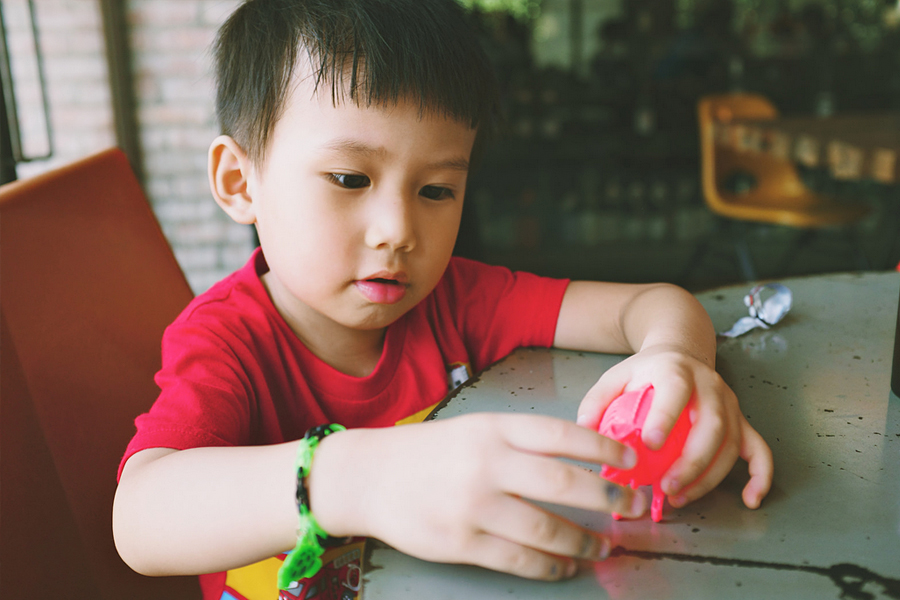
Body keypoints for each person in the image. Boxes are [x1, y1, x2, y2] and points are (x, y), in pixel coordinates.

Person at [112, 1, 774, 599]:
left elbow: (652, 303)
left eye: (435, 190)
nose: (398, 231)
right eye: (349, 178)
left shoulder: (458, 301)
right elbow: (140, 520)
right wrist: (356, 478)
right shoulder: (228, 342)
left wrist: (676, 358)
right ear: (240, 181)